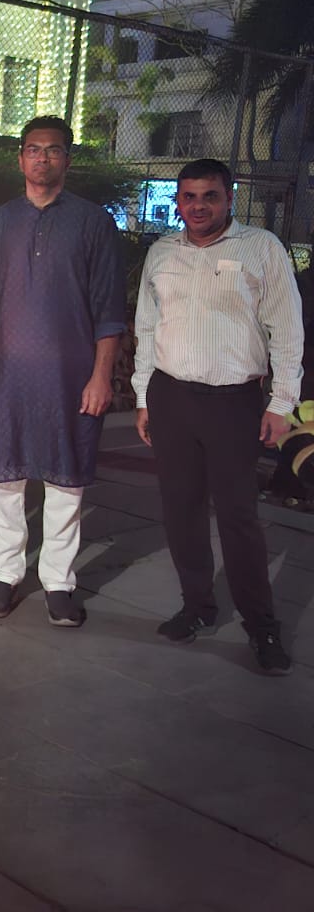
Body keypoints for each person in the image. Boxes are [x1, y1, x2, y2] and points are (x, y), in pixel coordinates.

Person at [134, 160, 301, 675]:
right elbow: (147, 327)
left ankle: (262, 625)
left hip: (233, 402)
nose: (198, 206)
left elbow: (287, 330)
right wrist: (143, 396)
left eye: (209, 195)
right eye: (188, 197)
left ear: (230, 197)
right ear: (178, 201)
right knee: (181, 510)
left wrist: (282, 403)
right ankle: (198, 606)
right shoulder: (162, 252)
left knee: (237, 516)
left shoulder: (261, 248)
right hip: (171, 397)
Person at [0, 116, 125, 626]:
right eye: (34, 150)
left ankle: (59, 582)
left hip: (72, 374)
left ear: (68, 159)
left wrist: (101, 375)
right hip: (6, 372)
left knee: (66, 479)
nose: (43, 158)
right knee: (4, 477)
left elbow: (108, 307)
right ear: (20, 158)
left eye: (54, 150)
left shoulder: (93, 222)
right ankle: (5, 574)